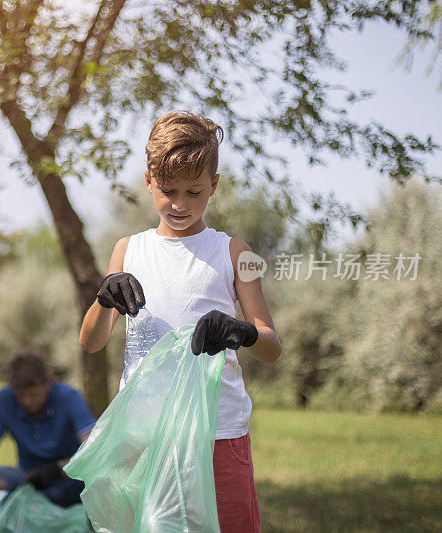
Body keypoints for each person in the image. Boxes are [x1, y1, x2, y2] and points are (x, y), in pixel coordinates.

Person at [79, 111, 282, 532]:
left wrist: (242, 331)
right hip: (145, 435)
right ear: (149, 181)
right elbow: (91, 342)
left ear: (215, 184)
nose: (180, 204)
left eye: (194, 191)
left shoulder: (234, 253)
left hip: (217, 432)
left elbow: (270, 346)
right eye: (168, 190)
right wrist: (103, 299)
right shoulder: (128, 250)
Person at [0, 351, 96, 510]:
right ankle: (14, 514)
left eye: (33, 394)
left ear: (48, 383)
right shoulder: (5, 398)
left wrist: (56, 469)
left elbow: (93, 450)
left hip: (69, 475)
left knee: (88, 483)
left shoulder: (69, 397)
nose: (27, 402)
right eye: (21, 396)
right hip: (27, 475)